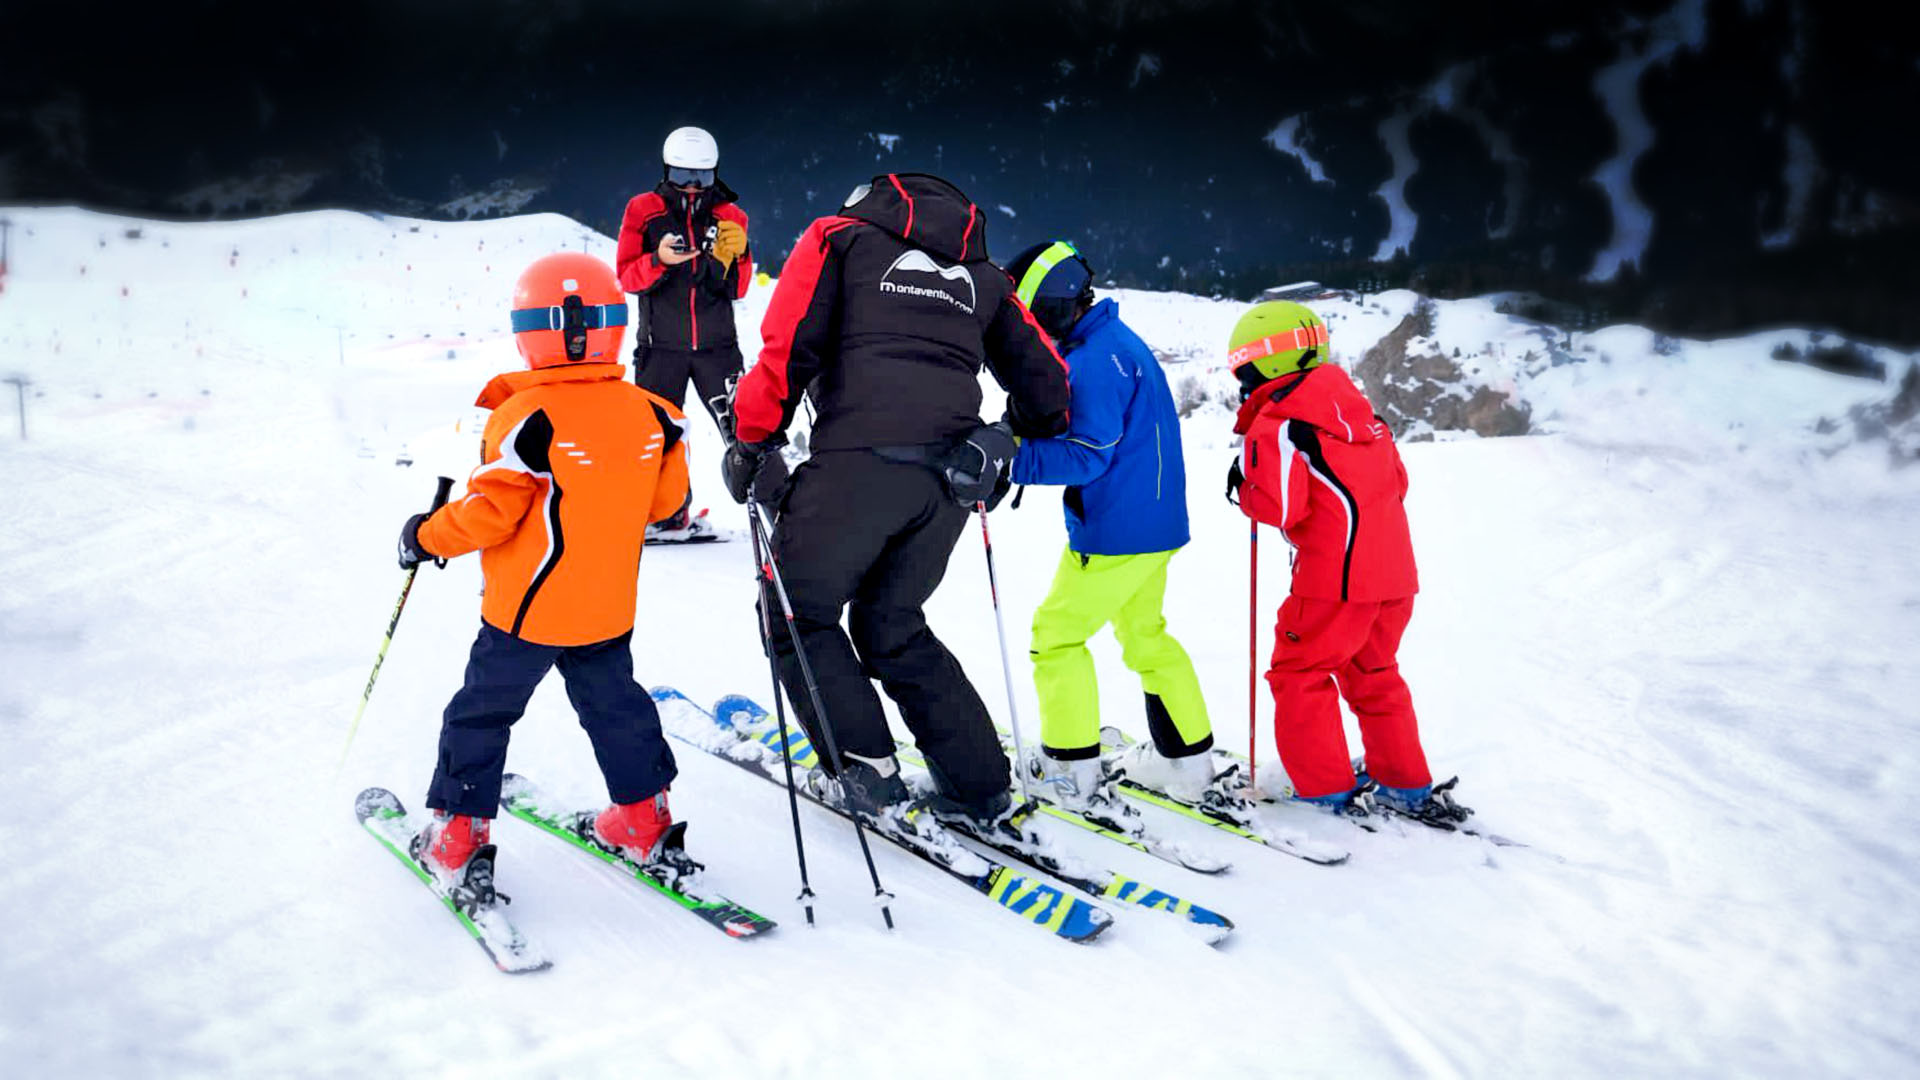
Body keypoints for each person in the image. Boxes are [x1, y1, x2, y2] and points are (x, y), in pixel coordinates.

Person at [723, 172, 1072, 826]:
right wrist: (1003, 436)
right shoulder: (985, 276)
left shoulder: (839, 240)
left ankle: (866, 772)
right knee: (892, 624)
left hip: (857, 465)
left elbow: (788, 343)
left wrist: (751, 441)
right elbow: (1051, 389)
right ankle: (978, 786)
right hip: (945, 487)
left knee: (797, 614)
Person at [395, 251, 693, 882]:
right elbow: (666, 505)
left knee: (481, 713)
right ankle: (642, 819)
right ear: (613, 322)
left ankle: (456, 835)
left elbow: (490, 515)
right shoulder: (657, 416)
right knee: (617, 708)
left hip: (524, 615)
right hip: (607, 609)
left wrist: (426, 536)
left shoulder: (526, 418)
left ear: (530, 332)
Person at [1225, 299, 1470, 826]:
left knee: (1299, 675)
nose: (1242, 379)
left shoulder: (1284, 424)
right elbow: (1397, 486)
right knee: (1374, 672)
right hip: (1395, 579)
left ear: (1267, 364)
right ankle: (1404, 783)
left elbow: (1282, 507)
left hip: (1332, 584)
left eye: (1244, 366)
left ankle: (1323, 791)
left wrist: (1244, 487)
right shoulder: (1367, 419)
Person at [999, 240, 1214, 811]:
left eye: (1031, 315)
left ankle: (1070, 772)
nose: (1030, 330)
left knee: (1056, 637)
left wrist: (1008, 457)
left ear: (1053, 304)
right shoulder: (1117, 342)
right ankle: (1188, 764)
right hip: (1155, 524)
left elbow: (1088, 454)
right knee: (1147, 637)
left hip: (1117, 532)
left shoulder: (1094, 360)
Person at [614, 125, 782, 542]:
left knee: (748, 428)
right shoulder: (643, 210)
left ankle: (786, 513)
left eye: (703, 178)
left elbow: (739, 289)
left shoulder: (730, 216)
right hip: (659, 349)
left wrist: (741, 254)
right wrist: (660, 259)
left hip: (717, 349)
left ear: (714, 173)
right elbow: (627, 277)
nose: (693, 188)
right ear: (667, 171)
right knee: (658, 437)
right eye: (683, 176)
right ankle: (669, 516)